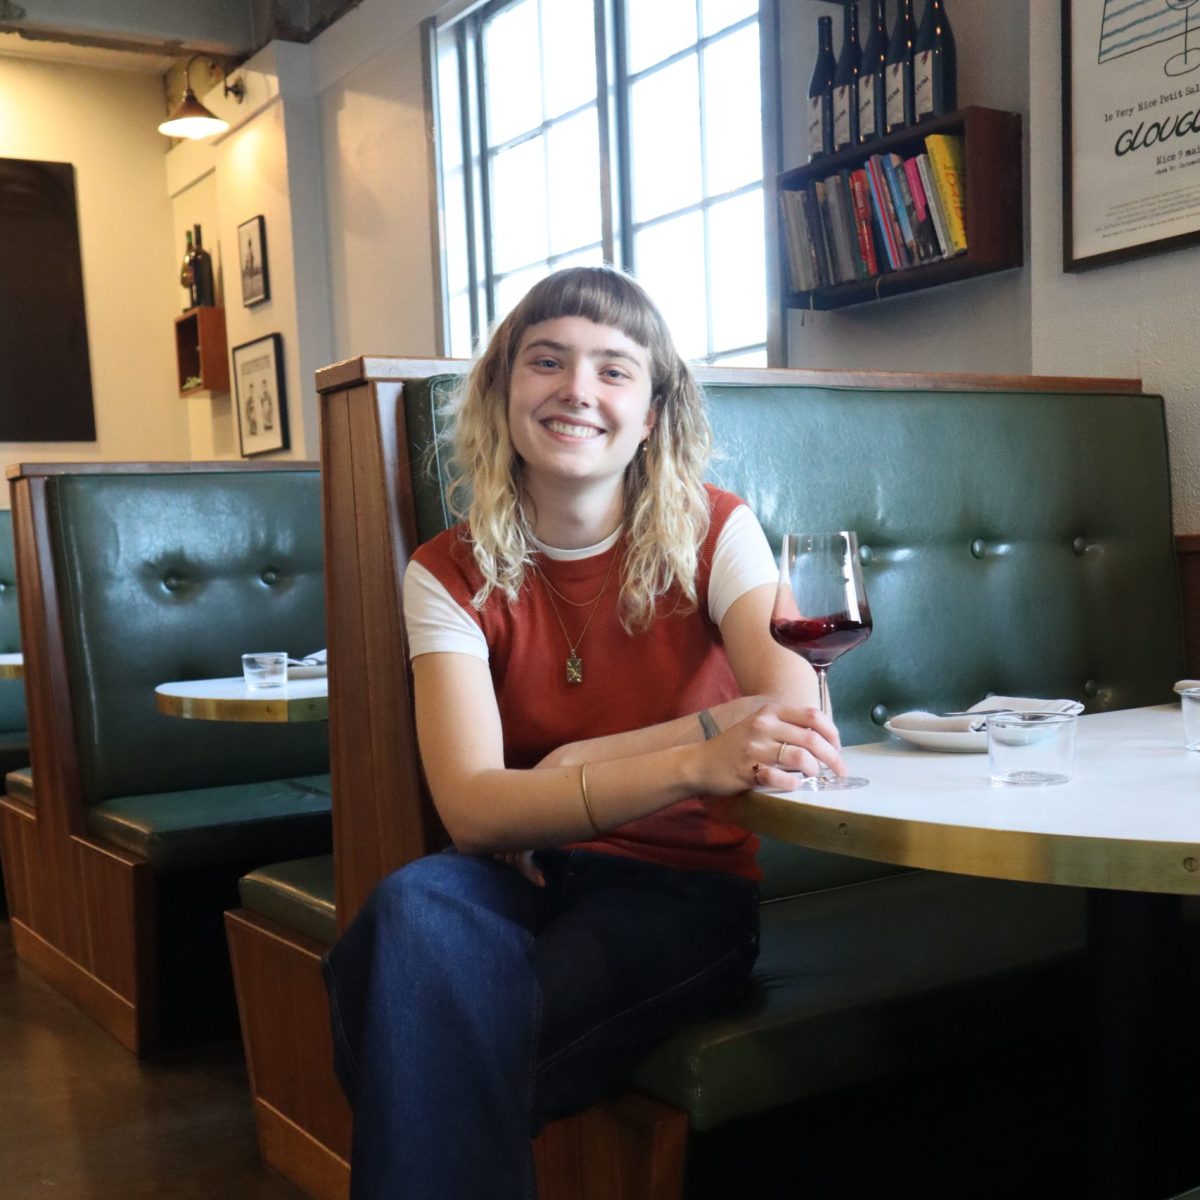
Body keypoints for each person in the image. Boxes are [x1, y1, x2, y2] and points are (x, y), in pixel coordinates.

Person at [322, 266, 846, 1199]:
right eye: (547, 362)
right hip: (520, 870)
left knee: (399, 1009)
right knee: (411, 908)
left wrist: (569, 768)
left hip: (681, 889)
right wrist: (693, 754)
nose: (577, 390)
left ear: (651, 412)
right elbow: (475, 810)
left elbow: (797, 714)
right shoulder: (445, 571)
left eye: (614, 370)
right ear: (502, 393)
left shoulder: (716, 530)